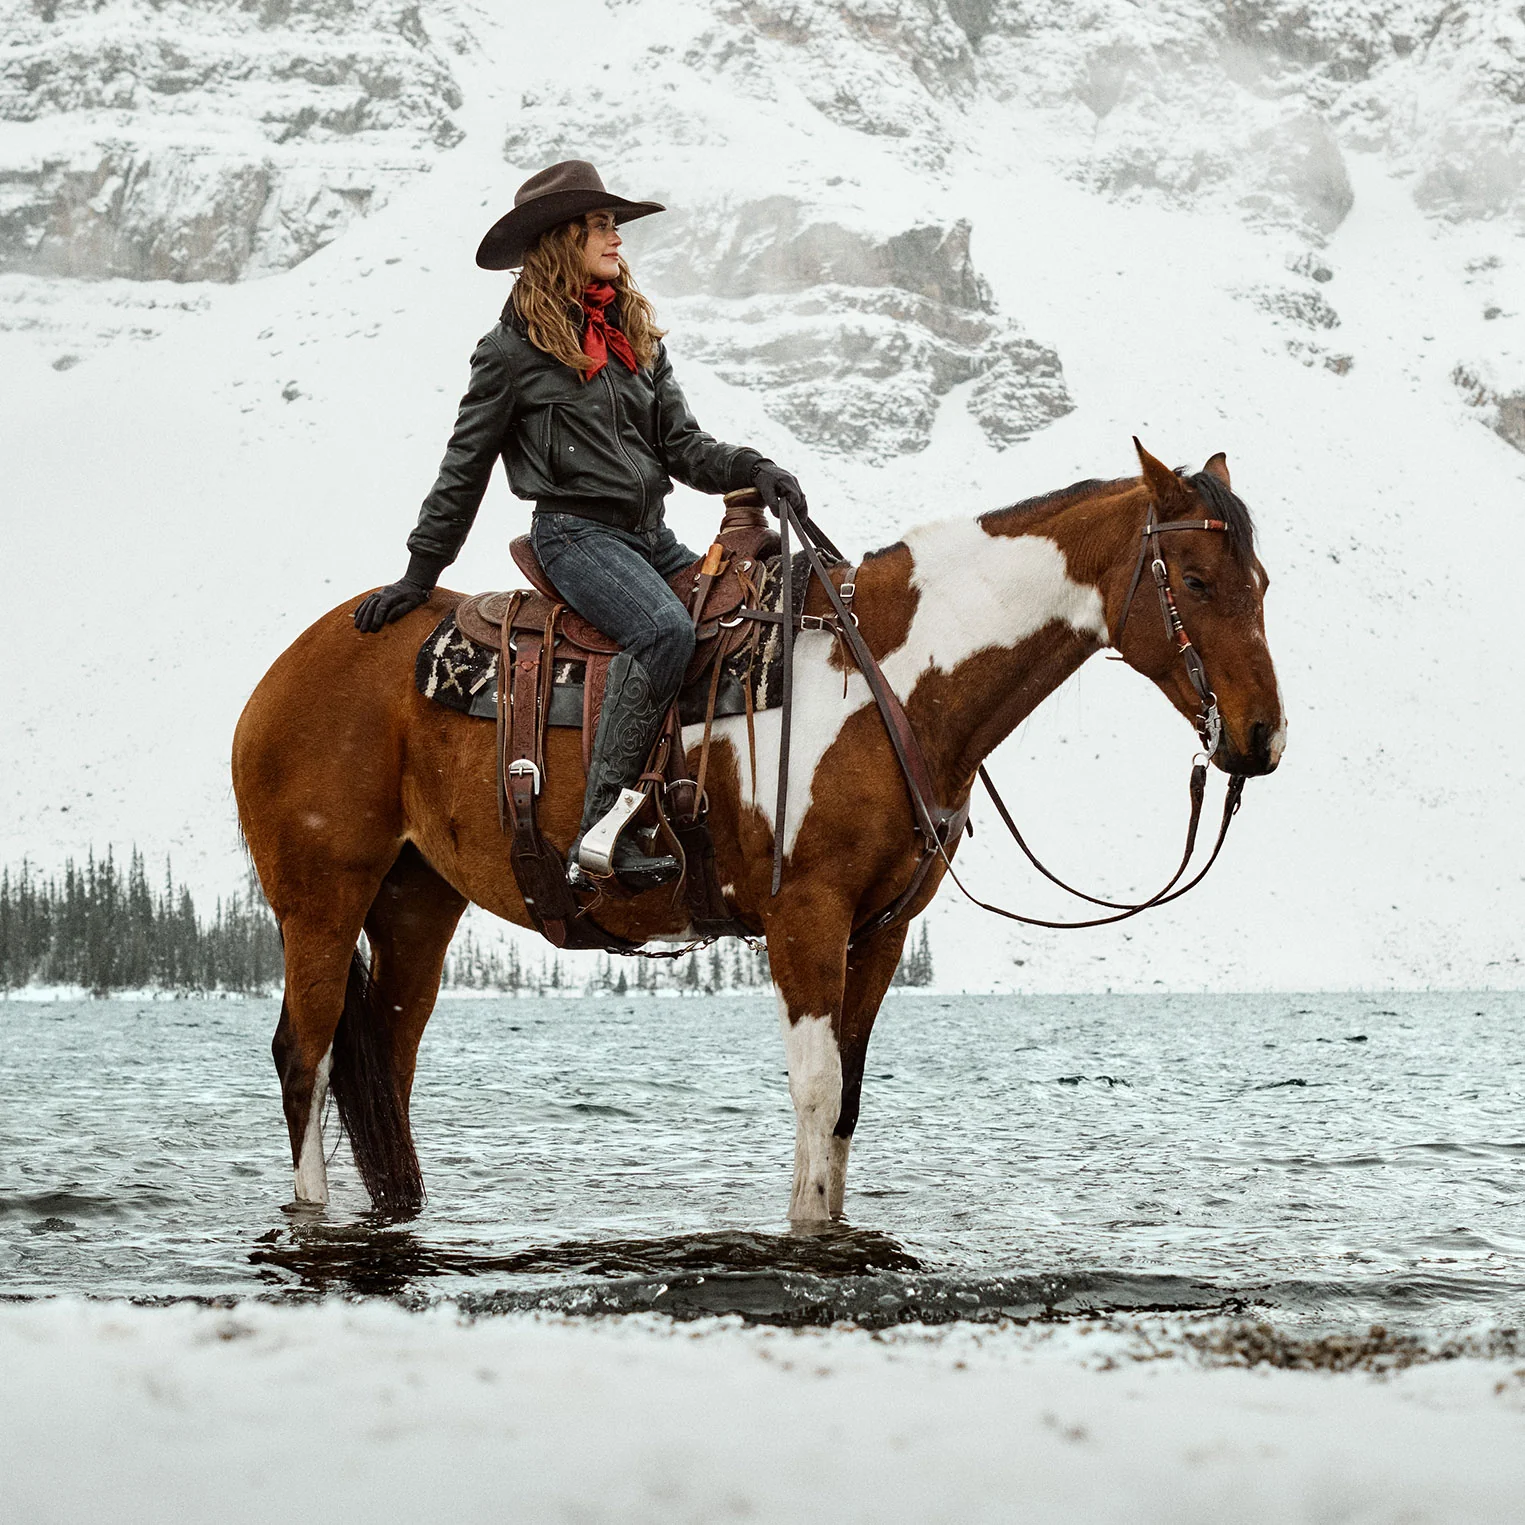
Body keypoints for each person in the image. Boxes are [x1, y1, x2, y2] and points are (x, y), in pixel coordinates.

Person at [354, 160, 808, 891]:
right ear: (561, 238)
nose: (615, 239)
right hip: (574, 536)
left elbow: (682, 448)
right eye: (600, 225)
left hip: (649, 537)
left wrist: (753, 469)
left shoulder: (634, 338)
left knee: (741, 621)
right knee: (662, 631)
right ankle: (601, 828)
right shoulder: (508, 353)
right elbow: (463, 467)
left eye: (614, 226)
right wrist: (420, 572)